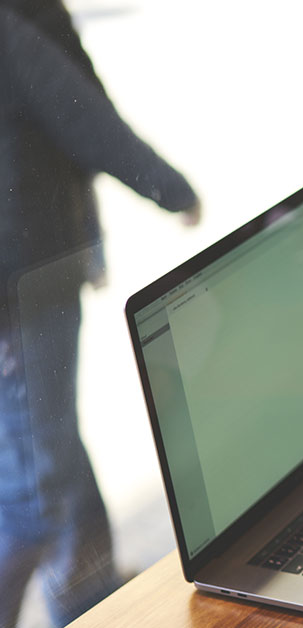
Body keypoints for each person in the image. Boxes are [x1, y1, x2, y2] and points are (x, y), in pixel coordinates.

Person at [0, 5, 200, 627]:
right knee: (35, 495)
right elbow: (77, 110)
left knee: (48, 432)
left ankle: (90, 599)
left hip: (35, 266)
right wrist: (170, 188)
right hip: (24, 281)